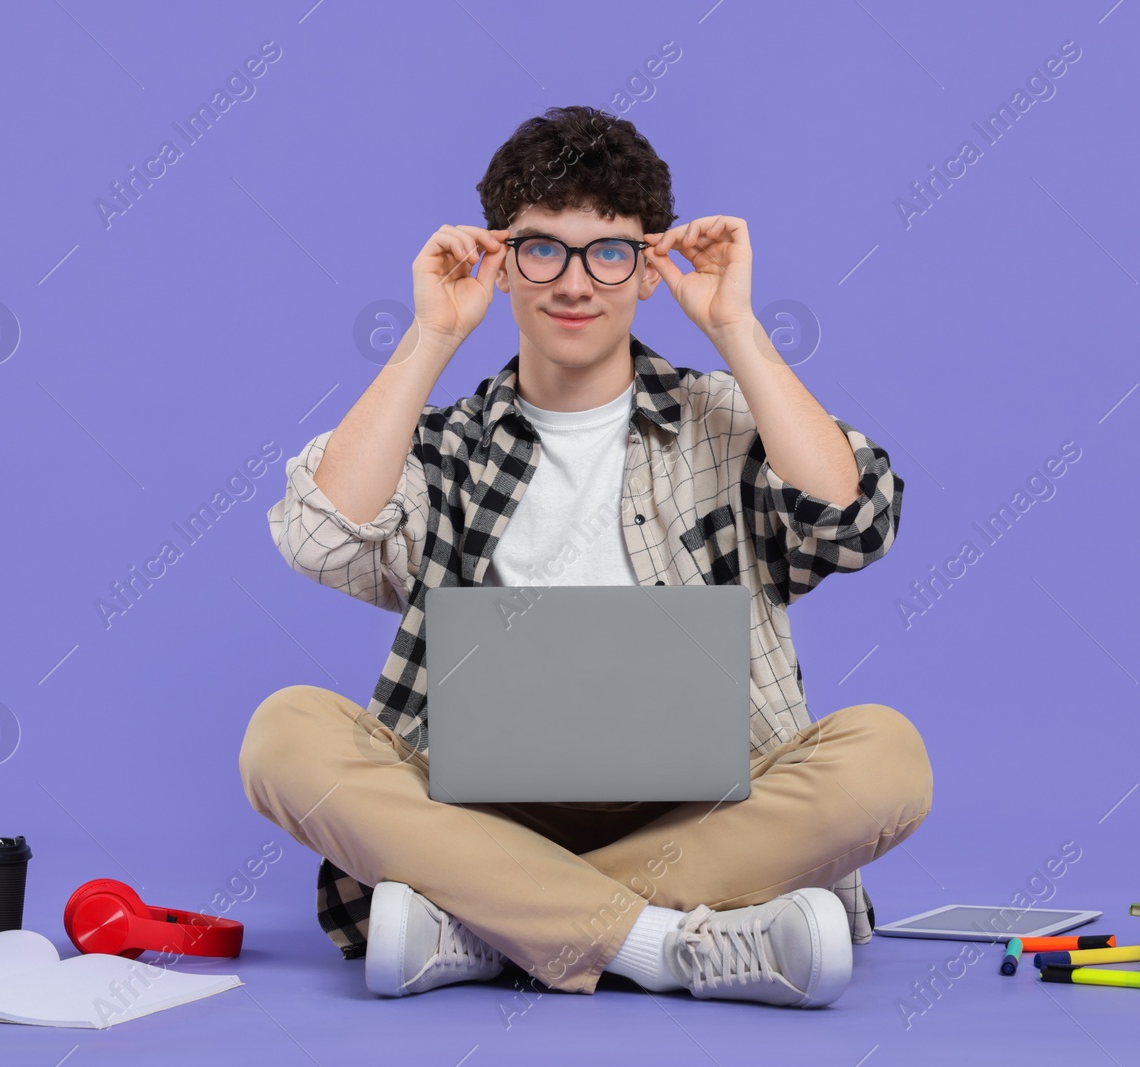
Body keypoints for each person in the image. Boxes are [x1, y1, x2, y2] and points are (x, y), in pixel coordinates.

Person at [240, 105, 931, 1008]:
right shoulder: (448, 447)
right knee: (285, 732)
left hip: (704, 813)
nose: (574, 282)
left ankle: (485, 922)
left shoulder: (723, 420)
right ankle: (664, 942)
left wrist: (737, 327)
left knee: (888, 756)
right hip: (473, 810)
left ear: (649, 265)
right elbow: (321, 533)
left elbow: (854, 519)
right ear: (501, 258)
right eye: (543, 249)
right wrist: (432, 336)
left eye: (608, 250)